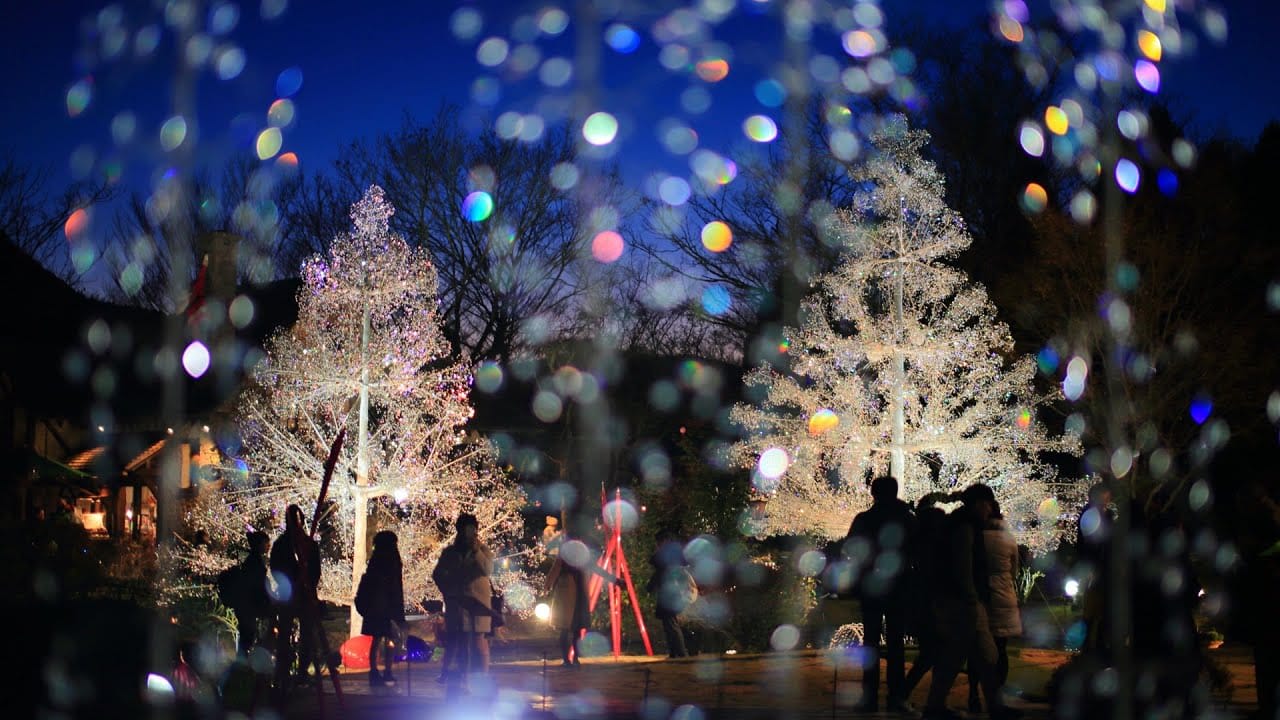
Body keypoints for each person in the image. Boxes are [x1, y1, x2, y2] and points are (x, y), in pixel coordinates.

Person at [923, 484, 1018, 720]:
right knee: (966, 656)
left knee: (984, 655)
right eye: (987, 504)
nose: (990, 510)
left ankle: (990, 705)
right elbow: (963, 565)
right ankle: (937, 707)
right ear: (978, 504)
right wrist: (972, 598)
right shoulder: (964, 527)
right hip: (963, 603)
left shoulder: (960, 524)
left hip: (960, 600)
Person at [844, 476, 917, 713]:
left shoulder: (865, 519)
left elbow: (851, 549)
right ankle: (896, 697)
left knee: (871, 642)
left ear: (873, 493)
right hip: (899, 586)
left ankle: (869, 698)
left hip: (872, 587)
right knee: (896, 644)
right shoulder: (906, 518)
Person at [969, 502, 1022, 712]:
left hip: (981, 597)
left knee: (977, 650)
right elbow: (1014, 571)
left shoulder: (976, 537)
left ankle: (973, 694)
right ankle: (997, 698)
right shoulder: (1008, 539)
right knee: (1000, 650)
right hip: (1004, 598)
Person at [432, 513, 494, 691]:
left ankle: (482, 677)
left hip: (479, 602)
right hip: (458, 601)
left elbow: (487, 570)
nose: (468, 533)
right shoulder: (450, 552)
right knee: (460, 640)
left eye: (472, 529)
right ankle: (463, 678)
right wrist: (448, 591)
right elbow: (438, 575)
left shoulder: (483, 550)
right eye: (465, 529)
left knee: (478, 639)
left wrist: (476, 551)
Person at [269, 504, 322, 693]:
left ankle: (301, 671)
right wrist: (290, 582)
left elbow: (316, 570)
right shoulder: (283, 545)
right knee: (285, 634)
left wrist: (307, 584)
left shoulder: (308, 544)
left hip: (304, 594)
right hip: (290, 594)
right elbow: (276, 568)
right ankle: (283, 670)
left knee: (307, 634)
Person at [356, 530, 406, 688]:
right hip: (386, 606)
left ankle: (374, 671)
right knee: (389, 639)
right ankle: (387, 671)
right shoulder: (392, 560)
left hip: (375, 607)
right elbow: (396, 586)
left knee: (376, 640)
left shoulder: (375, 561)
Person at [1076, 482, 1114, 653]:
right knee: (1091, 609)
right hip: (1094, 567)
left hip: (1104, 567)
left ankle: (1098, 644)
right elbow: (1087, 544)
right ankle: (1089, 645)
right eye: (1106, 494)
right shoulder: (1090, 514)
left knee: (1101, 609)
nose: (1108, 497)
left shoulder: (1107, 515)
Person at [546, 530, 592, 666]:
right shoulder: (565, 553)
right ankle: (568, 659)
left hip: (578, 591)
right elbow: (556, 568)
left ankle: (573, 658)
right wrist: (548, 585)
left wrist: (548, 585)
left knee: (575, 627)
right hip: (569, 591)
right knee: (566, 628)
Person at [647, 536, 695, 659]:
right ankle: (675, 652)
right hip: (671, 598)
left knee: (671, 625)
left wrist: (650, 588)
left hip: (668, 599)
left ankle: (681, 652)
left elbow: (655, 581)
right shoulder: (671, 566)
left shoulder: (664, 567)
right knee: (669, 625)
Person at [233, 531, 272, 658]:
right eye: (266, 543)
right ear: (259, 544)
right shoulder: (254, 562)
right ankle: (243, 667)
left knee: (247, 636)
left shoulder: (253, 560)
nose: (268, 546)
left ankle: (243, 665)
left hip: (246, 606)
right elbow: (257, 585)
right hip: (249, 606)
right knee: (247, 636)